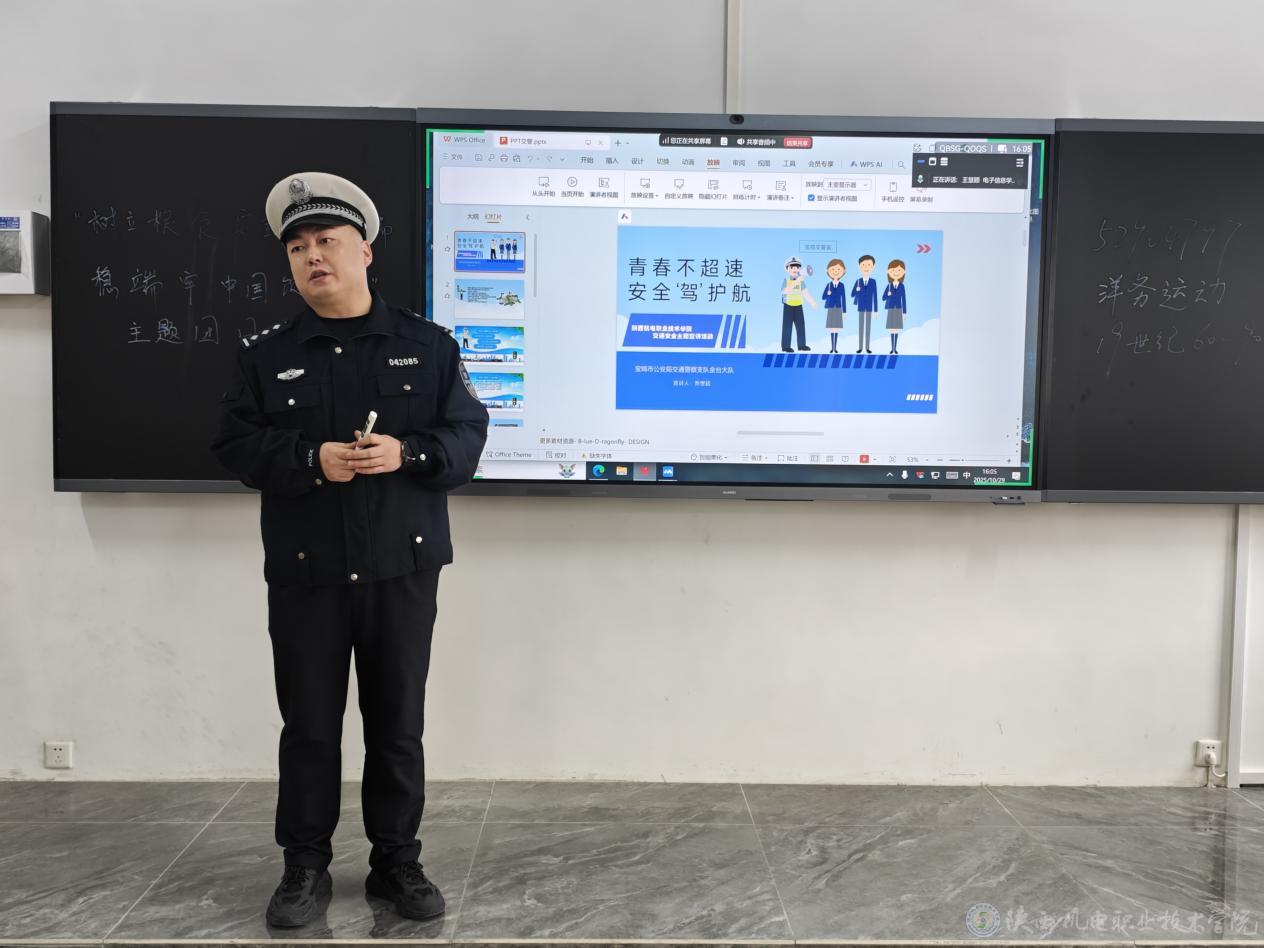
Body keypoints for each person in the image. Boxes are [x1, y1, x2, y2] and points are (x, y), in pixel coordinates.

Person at [210, 173, 488, 929]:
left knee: (397, 725)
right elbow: (234, 444)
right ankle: (304, 867)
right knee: (309, 727)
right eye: (298, 247)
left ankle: (397, 862)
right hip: (309, 573)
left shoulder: (427, 347)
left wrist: (408, 453)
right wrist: (310, 460)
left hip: (401, 569)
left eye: (327, 241)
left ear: (363, 251)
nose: (313, 257)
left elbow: (467, 438)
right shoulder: (266, 356)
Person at [779, 256, 818, 352]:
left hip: (798, 306)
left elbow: (805, 293)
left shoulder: (801, 282)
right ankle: (785, 346)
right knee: (787, 326)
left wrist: (812, 302)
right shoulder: (786, 280)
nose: (795, 269)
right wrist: (796, 281)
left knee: (801, 326)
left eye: (797, 267)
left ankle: (802, 345)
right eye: (792, 267)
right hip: (788, 306)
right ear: (787, 269)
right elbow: (784, 291)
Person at [819, 258, 848, 354]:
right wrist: (828, 294)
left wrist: (844, 312)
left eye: (838, 269)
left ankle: (835, 348)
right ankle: (832, 348)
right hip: (831, 308)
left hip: (839, 308)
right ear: (828, 271)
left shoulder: (842, 285)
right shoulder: (828, 285)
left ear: (843, 271)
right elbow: (823, 297)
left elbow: (843, 298)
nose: (835, 272)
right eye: (833, 269)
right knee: (832, 329)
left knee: (837, 329)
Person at [851, 254, 878, 354]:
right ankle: (860, 347)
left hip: (870, 307)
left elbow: (875, 296)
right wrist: (857, 290)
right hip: (861, 307)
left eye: (869, 265)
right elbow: (852, 294)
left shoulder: (873, 282)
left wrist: (876, 310)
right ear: (859, 267)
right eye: (863, 265)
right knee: (861, 327)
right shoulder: (858, 281)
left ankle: (867, 347)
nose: (866, 267)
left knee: (868, 327)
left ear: (873, 267)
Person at [883, 258, 908, 354]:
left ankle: (895, 348)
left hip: (898, 309)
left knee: (896, 330)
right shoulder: (889, 286)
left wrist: (904, 312)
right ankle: (891, 348)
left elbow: (904, 299)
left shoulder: (902, 286)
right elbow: (883, 297)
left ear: (903, 272)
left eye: (899, 270)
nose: (896, 272)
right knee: (891, 329)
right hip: (890, 309)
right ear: (889, 272)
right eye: (893, 270)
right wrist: (888, 294)